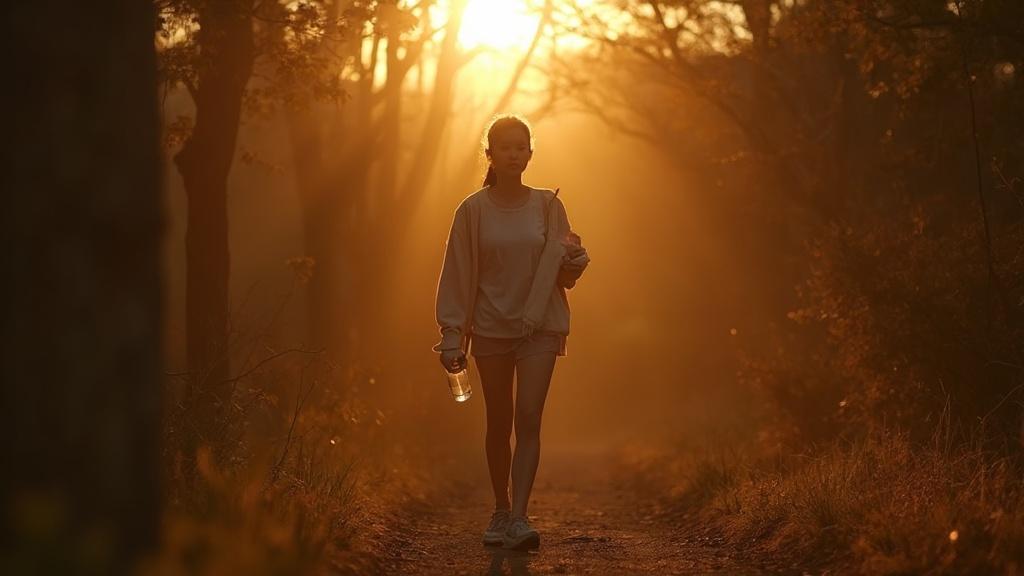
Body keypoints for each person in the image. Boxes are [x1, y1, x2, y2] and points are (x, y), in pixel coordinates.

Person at [432, 114, 590, 551]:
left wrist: (575, 261)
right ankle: (499, 510)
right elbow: (457, 275)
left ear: (530, 154)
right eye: (505, 147)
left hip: (539, 326)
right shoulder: (472, 210)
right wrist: (451, 334)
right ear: (491, 154)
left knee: (529, 417)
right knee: (498, 421)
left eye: (521, 147)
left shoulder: (548, 205)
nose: (514, 154)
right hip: (490, 328)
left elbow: (563, 270)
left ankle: (520, 517)